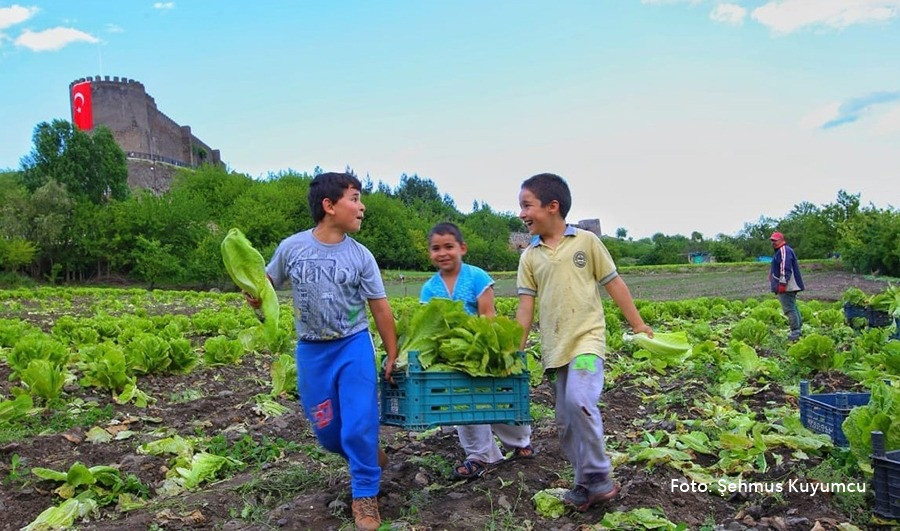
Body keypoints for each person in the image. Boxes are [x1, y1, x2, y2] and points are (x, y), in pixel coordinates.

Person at [246, 172, 398, 531]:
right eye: (355, 199)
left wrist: (392, 353)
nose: (362, 207)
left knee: (359, 423)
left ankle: (365, 496)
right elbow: (266, 286)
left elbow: (380, 307)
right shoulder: (292, 248)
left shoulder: (361, 256)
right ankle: (367, 454)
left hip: (353, 346)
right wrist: (255, 296)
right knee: (329, 434)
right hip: (312, 352)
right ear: (329, 206)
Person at [514, 173, 652, 512]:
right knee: (564, 422)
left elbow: (614, 283)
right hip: (555, 351)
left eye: (526, 206)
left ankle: (599, 474)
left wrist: (638, 324)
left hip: (587, 344)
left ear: (553, 207)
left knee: (580, 401)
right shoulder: (529, 257)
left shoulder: (587, 242)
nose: (521, 214)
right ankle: (585, 481)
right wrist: (514, 350)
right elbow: (525, 309)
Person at [419, 222, 533, 480]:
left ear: (462, 248)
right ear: (430, 253)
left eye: (449, 246)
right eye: (436, 248)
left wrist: (486, 350)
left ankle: (520, 443)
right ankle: (481, 456)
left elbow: (487, 316)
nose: (443, 253)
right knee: (464, 406)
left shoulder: (477, 277)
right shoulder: (429, 288)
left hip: (484, 349)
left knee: (498, 397)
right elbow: (429, 324)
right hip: (452, 358)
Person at [768, 231, 804, 341]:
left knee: (789, 308)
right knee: (792, 306)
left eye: (775, 240)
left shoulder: (784, 250)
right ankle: (798, 330)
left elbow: (785, 267)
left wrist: (783, 283)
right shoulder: (780, 251)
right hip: (788, 285)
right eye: (772, 240)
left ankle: (795, 332)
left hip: (788, 285)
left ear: (781, 241)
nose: (773, 242)